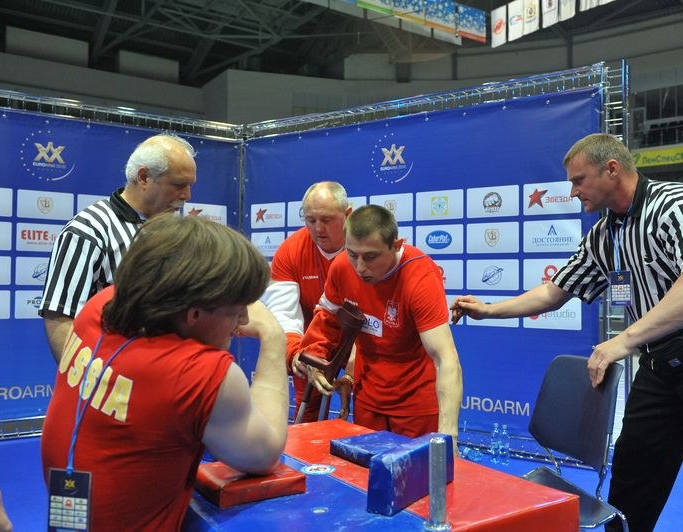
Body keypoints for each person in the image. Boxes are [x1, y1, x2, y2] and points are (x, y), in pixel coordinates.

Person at [451, 133, 683, 531]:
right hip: (661, 361)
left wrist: (622, 340)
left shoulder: (679, 205)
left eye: (579, 180)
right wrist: (488, 310)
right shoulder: (606, 235)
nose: (572, 191)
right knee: (632, 479)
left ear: (612, 169)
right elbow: (554, 292)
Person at [41, 214, 289, 530]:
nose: (243, 320)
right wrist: (273, 335)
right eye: (236, 309)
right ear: (194, 313)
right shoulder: (198, 373)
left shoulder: (100, 306)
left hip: (70, 516)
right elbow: (264, 454)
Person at [298, 204, 462, 445]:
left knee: (418, 482)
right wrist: (314, 356)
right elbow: (328, 319)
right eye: (353, 254)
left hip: (416, 406)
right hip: (367, 400)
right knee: (368, 479)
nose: (360, 267)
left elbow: (445, 358)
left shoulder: (420, 275)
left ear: (396, 245)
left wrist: (449, 437)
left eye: (371, 257)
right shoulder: (343, 266)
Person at [39, 133, 197, 363]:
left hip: (162, 375)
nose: (187, 196)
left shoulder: (173, 230)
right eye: (178, 185)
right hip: (111, 381)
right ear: (143, 177)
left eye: (190, 185)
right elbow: (61, 318)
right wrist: (90, 381)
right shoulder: (89, 230)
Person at [261, 181, 352, 422]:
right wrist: (296, 355)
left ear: (347, 215)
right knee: (307, 410)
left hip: (360, 343)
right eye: (310, 220)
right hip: (312, 343)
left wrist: (354, 367)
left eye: (327, 219)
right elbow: (283, 315)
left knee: (367, 411)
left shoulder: (364, 248)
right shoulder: (290, 250)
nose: (318, 228)